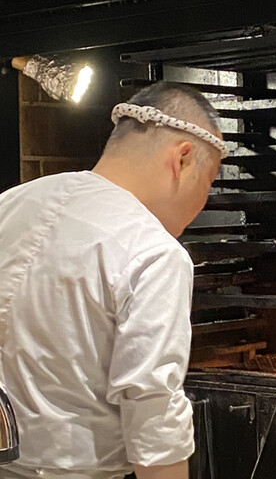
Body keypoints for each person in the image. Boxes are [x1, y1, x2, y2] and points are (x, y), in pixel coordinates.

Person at [0, 81, 228, 479]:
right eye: (208, 181)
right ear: (183, 158)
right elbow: (153, 411)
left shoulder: (10, 204)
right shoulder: (153, 251)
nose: (203, 200)